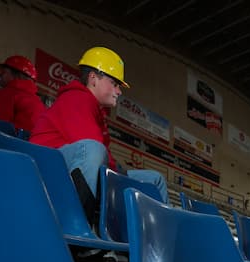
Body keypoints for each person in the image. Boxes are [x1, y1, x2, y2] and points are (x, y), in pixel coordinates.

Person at [30, 46, 168, 204]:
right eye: (114, 83)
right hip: (45, 166)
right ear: (93, 78)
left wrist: (117, 172)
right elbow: (91, 149)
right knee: (93, 148)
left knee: (155, 179)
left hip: (70, 165)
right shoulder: (77, 98)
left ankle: (162, 227)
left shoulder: (94, 108)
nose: (119, 91)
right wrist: (116, 174)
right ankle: (77, 223)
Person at [0, 55, 45, 133]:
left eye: (4, 72)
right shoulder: (38, 102)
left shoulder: (8, 93)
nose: (0, 75)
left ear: (17, 75)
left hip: (12, 143)